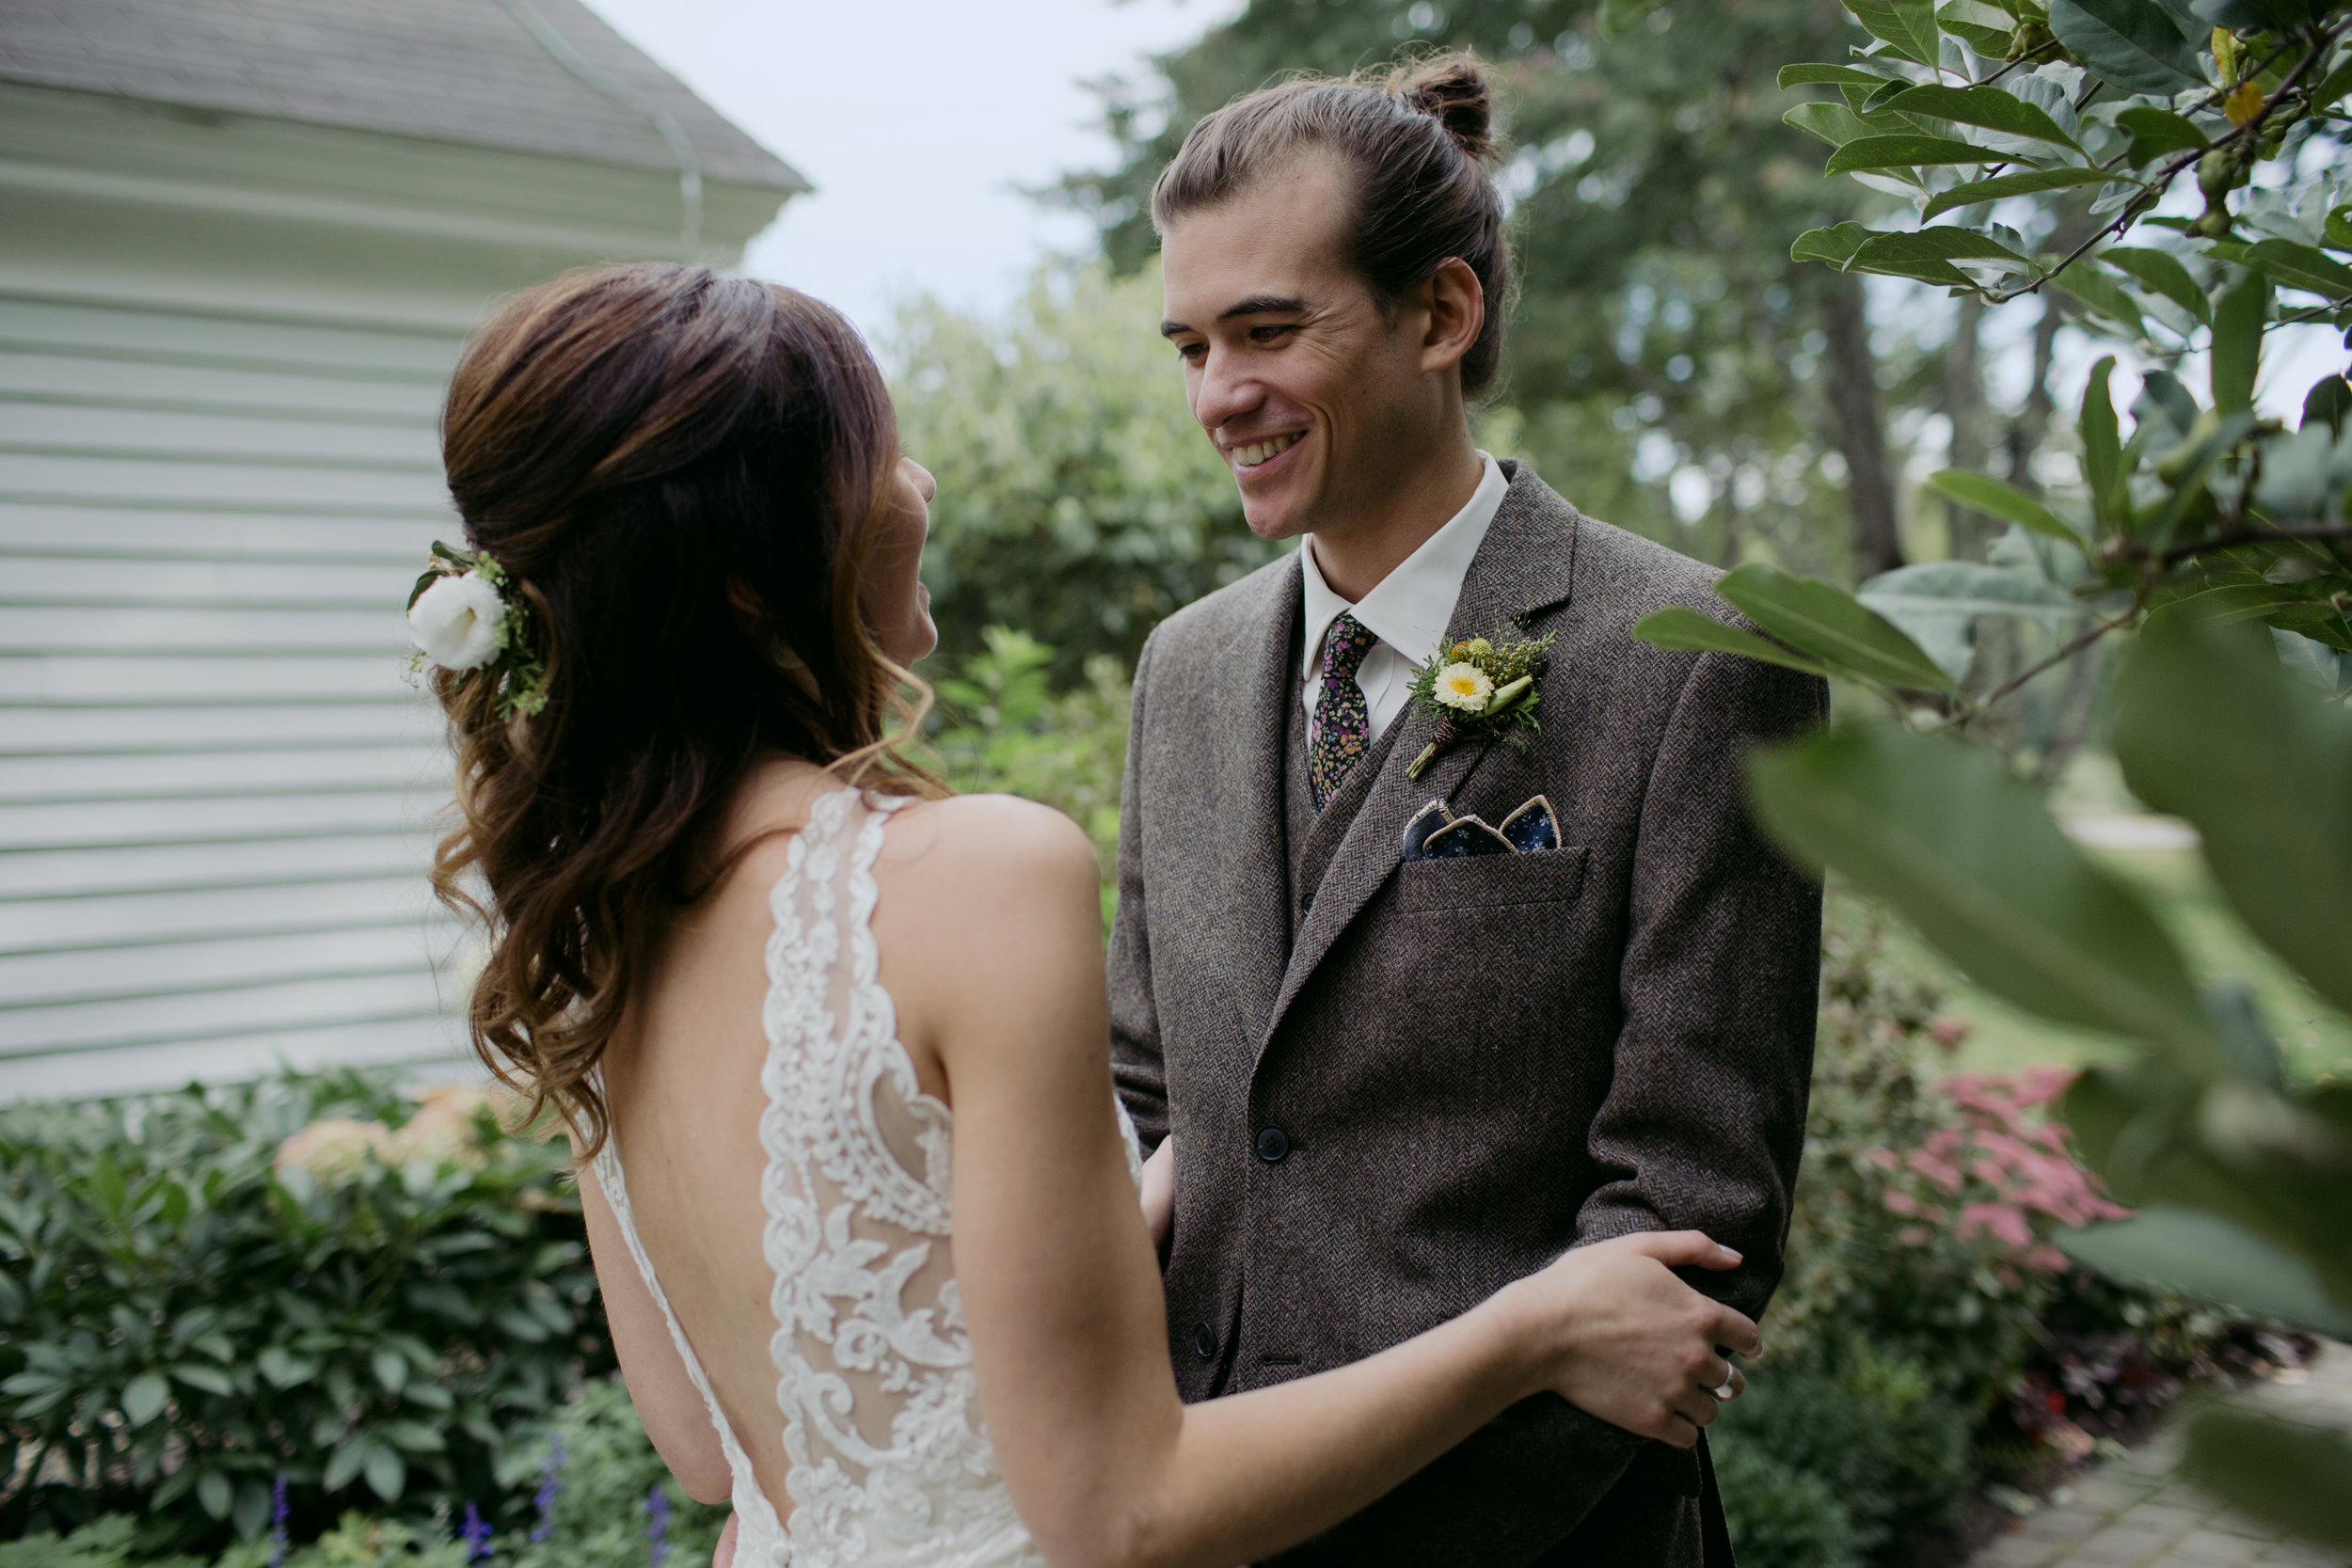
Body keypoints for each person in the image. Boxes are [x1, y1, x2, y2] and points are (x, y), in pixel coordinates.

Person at [413, 261, 1760, 1568]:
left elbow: (720, 1454)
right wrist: (1534, 1328)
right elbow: (1125, 1516)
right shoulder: (975, 875)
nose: (919, 482)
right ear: (752, 577)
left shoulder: (589, 937)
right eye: (874, 448)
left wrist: (1155, 1188)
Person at [1112, 54, 1826, 1567]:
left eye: (1267, 331)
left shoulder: (1697, 657)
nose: (1217, 395)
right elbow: (1152, 1092)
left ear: (1442, 315)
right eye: (1189, 345)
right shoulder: (1183, 672)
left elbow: (1692, 1209)